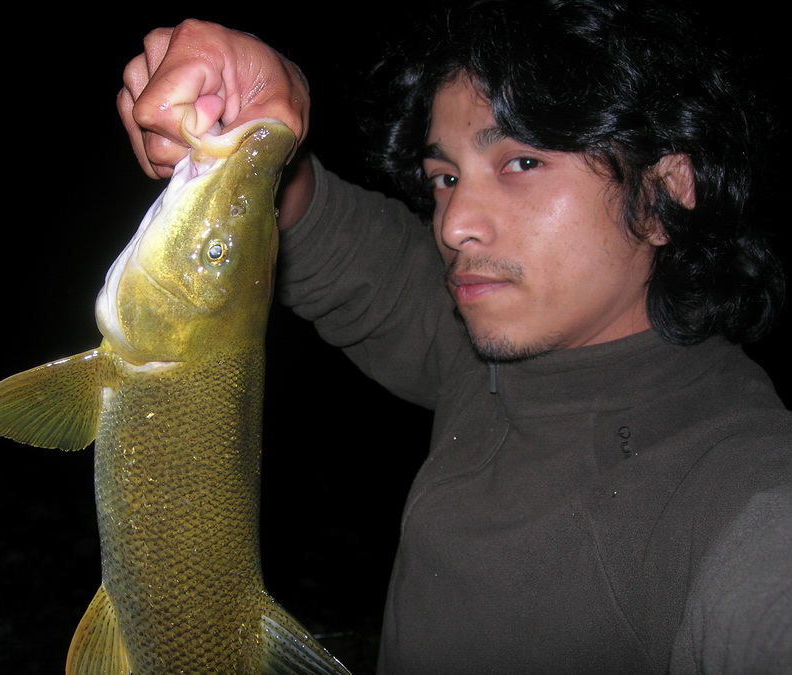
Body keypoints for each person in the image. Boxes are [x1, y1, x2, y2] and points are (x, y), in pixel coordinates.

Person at [117, 1, 792, 671]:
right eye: (444, 177)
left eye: (521, 164)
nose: (455, 223)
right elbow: (339, 245)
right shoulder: (490, 351)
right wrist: (257, 131)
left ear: (661, 196)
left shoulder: (740, 483)